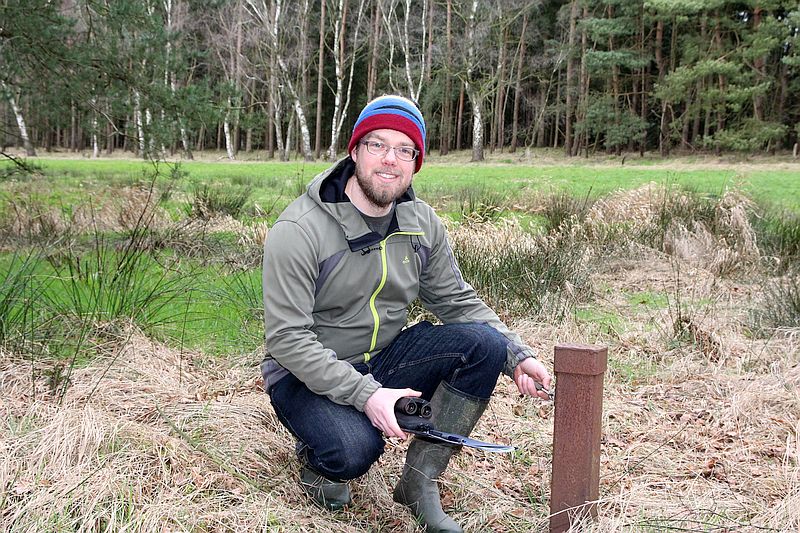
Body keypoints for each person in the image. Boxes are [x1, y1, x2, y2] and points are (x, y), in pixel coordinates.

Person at [261, 95, 552, 532]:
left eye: (404, 150)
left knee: (485, 344)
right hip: (304, 373)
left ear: (417, 163)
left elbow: (455, 299)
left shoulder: (422, 222)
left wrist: (517, 354)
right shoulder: (299, 230)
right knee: (353, 450)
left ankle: (419, 481)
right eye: (377, 145)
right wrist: (367, 396)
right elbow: (287, 339)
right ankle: (320, 462)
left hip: (384, 356)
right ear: (354, 150)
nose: (389, 161)